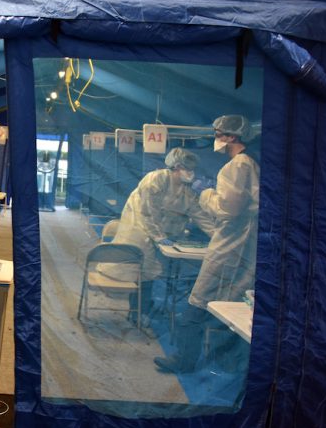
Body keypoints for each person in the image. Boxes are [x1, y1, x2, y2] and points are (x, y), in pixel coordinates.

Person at [154, 115, 259, 374]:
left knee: (197, 305)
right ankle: (216, 360)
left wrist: (207, 193)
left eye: (217, 133)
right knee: (221, 307)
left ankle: (185, 361)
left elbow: (226, 209)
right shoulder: (249, 165)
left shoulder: (237, 165)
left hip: (230, 248)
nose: (216, 139)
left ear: (231, 137)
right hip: (239, 246)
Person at [98, 147, 215, 329]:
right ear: (176, 166)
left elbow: (199, 215)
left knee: (149, 274)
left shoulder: (186, 191)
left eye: (192, 170)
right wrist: (158, 236)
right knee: (141, 272)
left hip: (158, 234)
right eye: (188, 169)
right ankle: (137, 313)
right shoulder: (156, 179)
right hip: (138, 228)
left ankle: (140, 311)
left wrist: (218, 236)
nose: (191, 174)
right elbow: (146, 212)